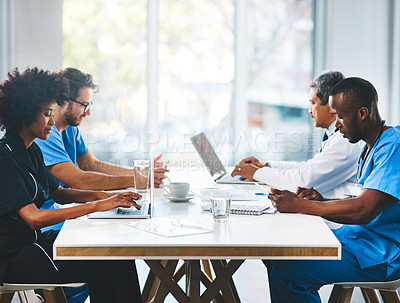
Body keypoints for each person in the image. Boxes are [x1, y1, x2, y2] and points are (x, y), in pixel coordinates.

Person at [0, 67, 143, 302]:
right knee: (107, 262)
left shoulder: (32, 150)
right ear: (25, 115)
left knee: (116, 255)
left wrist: (104, 197)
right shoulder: (4, 156)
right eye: (47, 114)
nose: (52, 120)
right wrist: (97, 206)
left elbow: (60, 193)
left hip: (36, 245)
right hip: (17, 257)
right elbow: (33, 218)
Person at [265, 77, 400, 303]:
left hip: (382, 254)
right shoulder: (371, 146)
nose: (336, 124)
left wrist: (302, 205)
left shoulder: (393, 146)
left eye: (339, 115)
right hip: (359, 241)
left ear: (362, 113)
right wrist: (321, 200)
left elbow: (364, 210)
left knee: (287, 274)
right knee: (277, 255)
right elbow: (368, 200)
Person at [231, 71, 363, 198]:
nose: (309, 110)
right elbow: (307, 167)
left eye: (313, 103)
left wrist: (257, 173)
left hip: (331, 218)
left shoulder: (346, 142)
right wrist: (267, 166)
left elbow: (304, 181)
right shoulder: (334, 136)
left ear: (330, 105)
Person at [35, 67, 167, 192]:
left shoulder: (70, 129)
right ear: (63, 100)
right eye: (84, 105)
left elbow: (92, 165)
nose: (88, 113)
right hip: (51, 211)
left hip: (63, 207)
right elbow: (79, 181)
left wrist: (142, 172)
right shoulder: (45, 134)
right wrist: (140, 179)